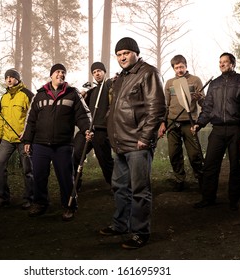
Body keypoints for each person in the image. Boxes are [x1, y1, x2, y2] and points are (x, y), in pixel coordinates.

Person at [99, 37, 166, 249]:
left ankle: (140, 232)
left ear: (135, 53)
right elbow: (116, 108)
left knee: (139, 190)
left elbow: (156, 109)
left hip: (138, 144)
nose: (122, 57)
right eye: (118, 55)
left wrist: (145, 138)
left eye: (125, 53)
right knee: (119, 187)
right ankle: (120, 224)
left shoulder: (148, 73)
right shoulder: (120, 78)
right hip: (120, 143)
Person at [21, 63, 92, 221]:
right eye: (58, 72)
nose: (61, 74)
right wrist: (27, 139)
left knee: (66, 177)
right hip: (40, 144)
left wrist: (87, 129)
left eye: (63, 72)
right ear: (51, 75)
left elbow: (83, 115)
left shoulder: (73, 94)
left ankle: (69, 206)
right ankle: (40, 203)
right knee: (39, 176)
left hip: (63, 145)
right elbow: (30, 119)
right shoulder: (39, 95)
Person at [191, 52, 240, 211]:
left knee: (236, 166)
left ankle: (234, 200)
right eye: (220, 62)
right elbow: (207, 108)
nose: (221, 64)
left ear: (233, 64)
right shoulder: (214, 84)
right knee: (210, 165)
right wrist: (199, 124)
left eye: (225, 62)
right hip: (218, 130)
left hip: (236, 129)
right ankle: (208, 198)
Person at [158, 55, 205, 192]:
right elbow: (165, 105)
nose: (179, 70)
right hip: (172, 122)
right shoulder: (169, 83)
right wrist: (163, 123)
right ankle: (180, 179)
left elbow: (204, 102)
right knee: (174, 154)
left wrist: (199, 98)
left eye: (181, 67)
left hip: (189, 122)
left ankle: (201, 179)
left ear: (186, 65)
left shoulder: (195, 80)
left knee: (194, 154)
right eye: (176, 67)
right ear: (173, 68)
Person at [0, 68, 34, 209]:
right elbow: (0, 117)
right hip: (7, 139)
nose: (9, 79)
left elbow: (33, 117)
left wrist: (28, 135)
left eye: (12, 77)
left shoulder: (27, 94)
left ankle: (29, 198)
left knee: (27, 169)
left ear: (17, 78)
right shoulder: (4, 97)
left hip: (23, 139)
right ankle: (3, 197)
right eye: (7, 77)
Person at [73, 62, 114, 191]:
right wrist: (82, 96)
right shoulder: (91, 91)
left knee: (104, 159)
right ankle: (75, 183)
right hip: (87, 129)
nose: (97, 73)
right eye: (94, 72)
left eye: (99, 71)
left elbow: (115, 86)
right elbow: (82, 110)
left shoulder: (109, 85)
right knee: (75, 153)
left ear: (104, 72)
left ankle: (115, 185)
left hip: (101, 129)